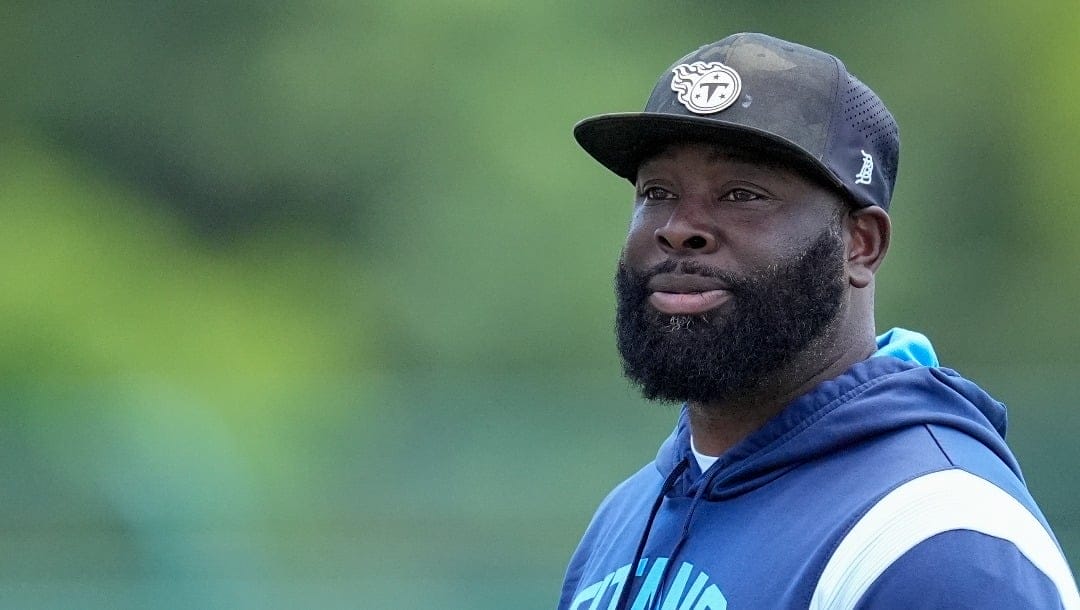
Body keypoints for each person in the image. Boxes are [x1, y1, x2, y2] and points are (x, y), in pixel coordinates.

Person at [559, 32, 1080, 610]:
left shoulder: (941, 546)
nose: (679, 227)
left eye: (742, 193)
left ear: (860, 244)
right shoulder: (628, 517)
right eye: (657, 191)